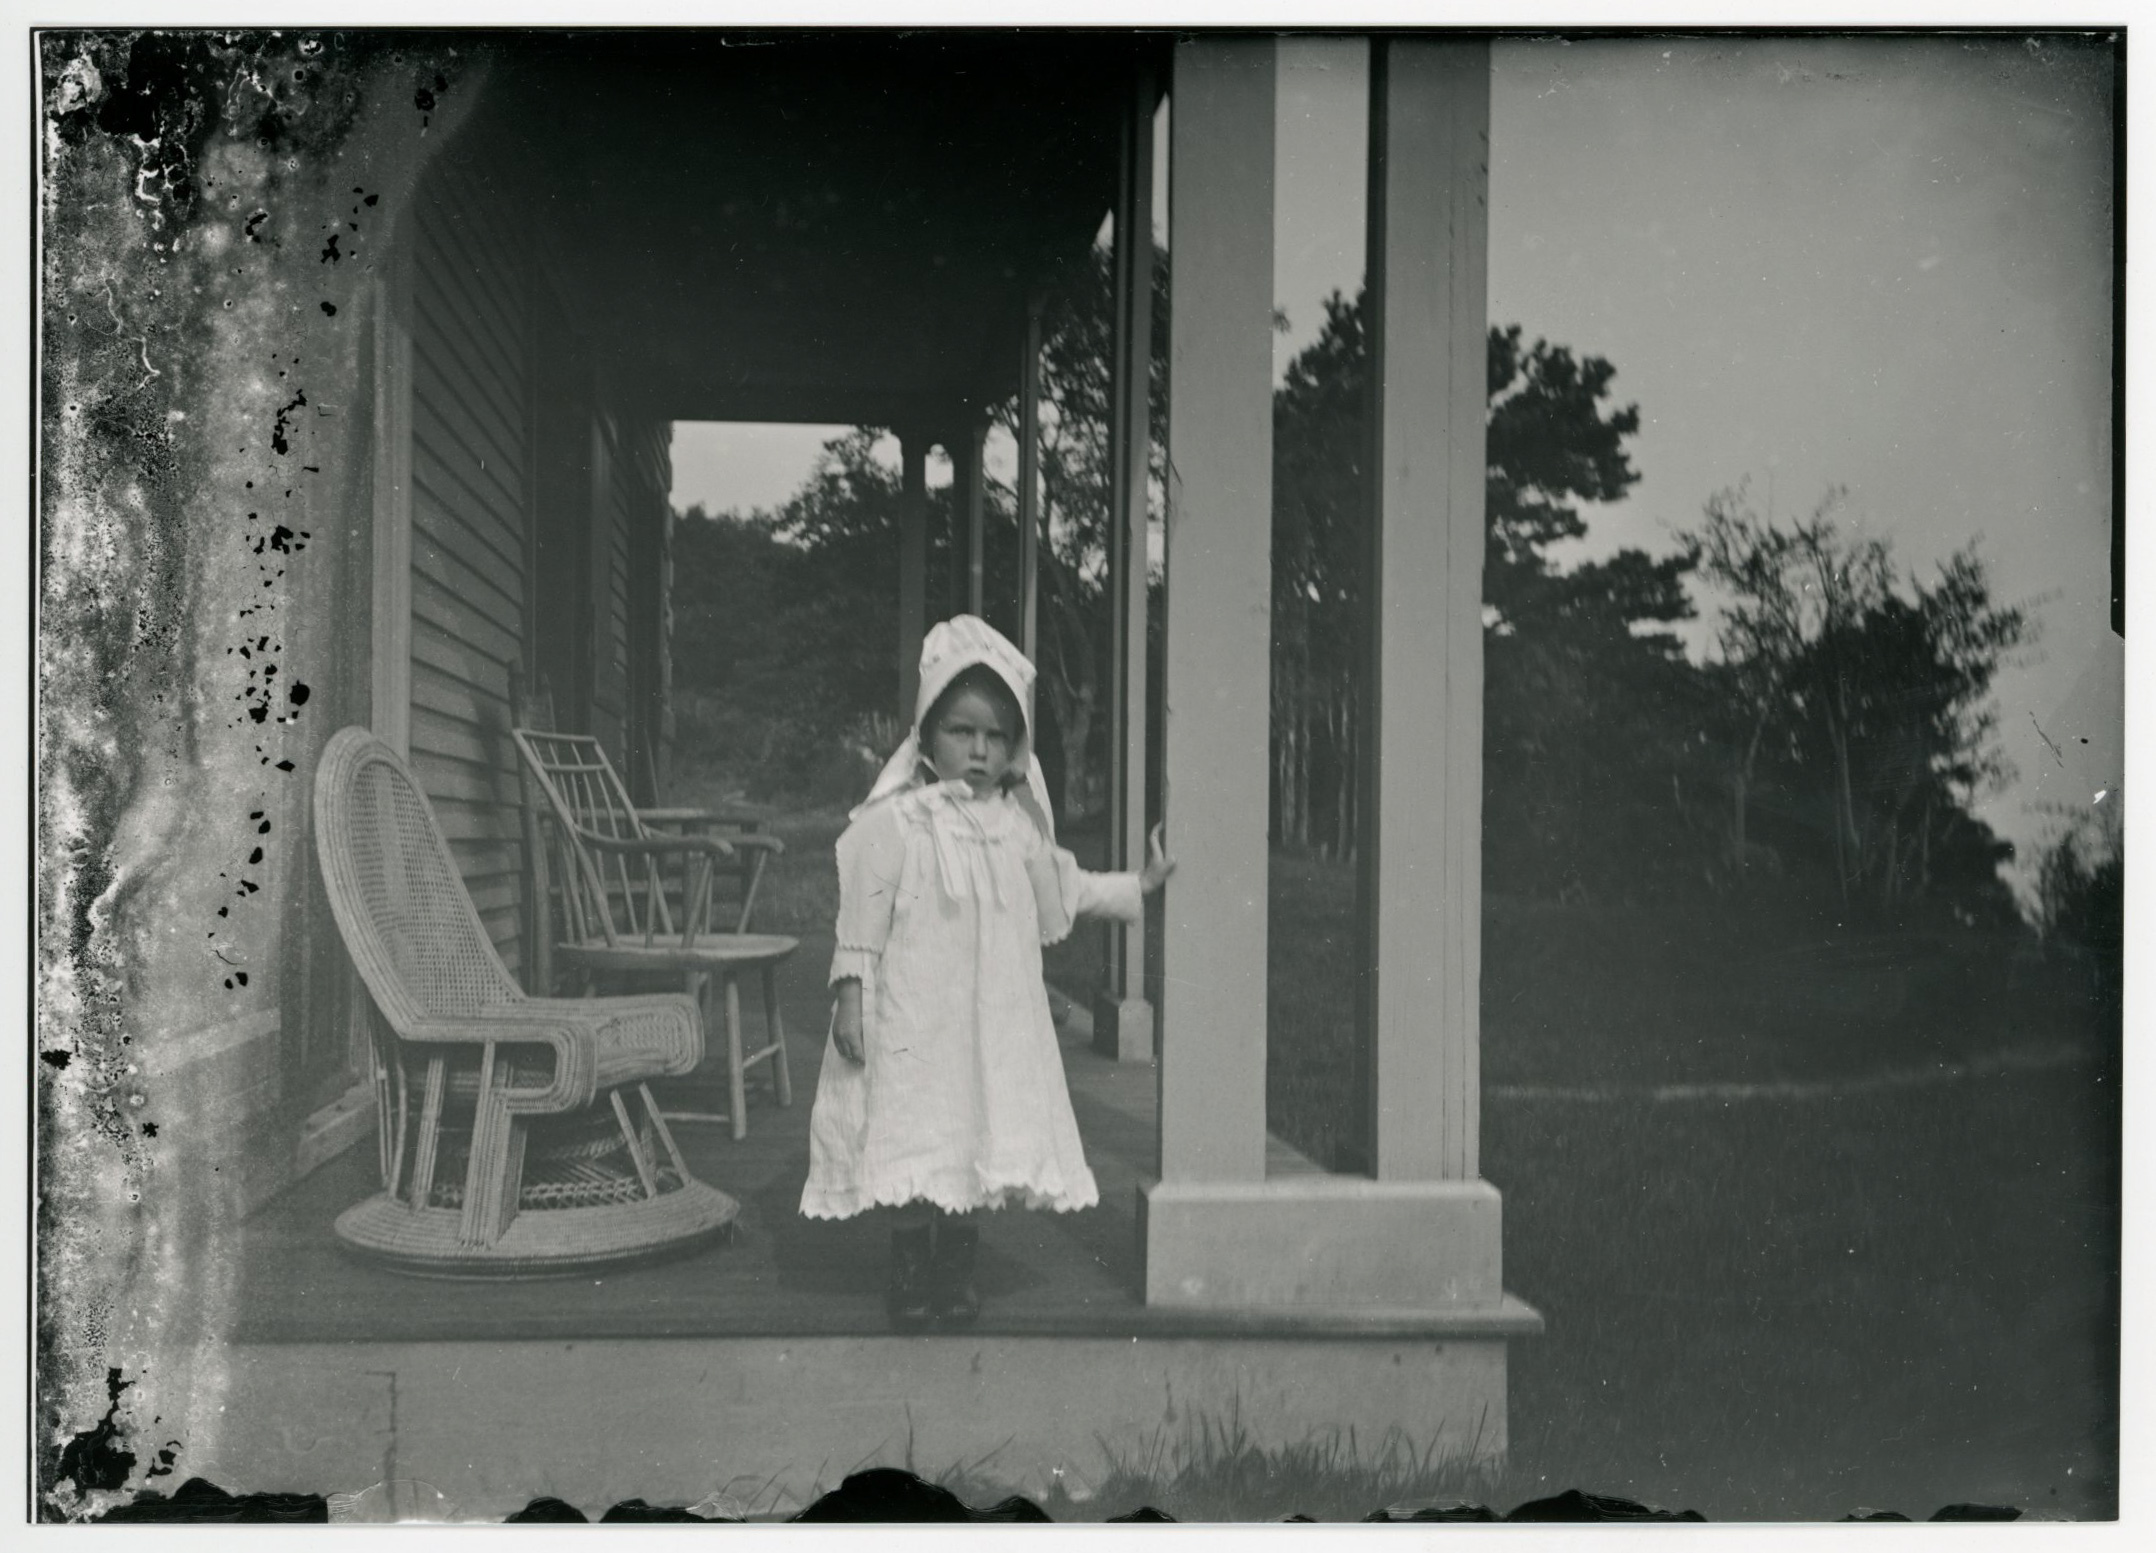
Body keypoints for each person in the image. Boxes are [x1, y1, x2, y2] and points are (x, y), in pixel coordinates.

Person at [799, 615, 1174, 1330]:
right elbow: (861, 920)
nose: (978, 750)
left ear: (1016, 748)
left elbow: (1064, 887)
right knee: (914, 1127)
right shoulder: (898, 822)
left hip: (987, 1022)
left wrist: (1139, 886)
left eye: (996, 736)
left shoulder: (1014, 827)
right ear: (927, 735)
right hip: (915, 1016)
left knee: (971, 1128)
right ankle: (911, 1265)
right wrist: (852, 995)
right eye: (961, 731)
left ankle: (955, 1264)